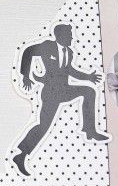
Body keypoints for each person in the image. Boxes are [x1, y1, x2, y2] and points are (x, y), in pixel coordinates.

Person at [12, 23, 110, 176]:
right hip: (51, 93)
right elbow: (28, 51)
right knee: (43, 126)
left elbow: (70, 70)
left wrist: (88, 77)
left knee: (88, 91)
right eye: (69, 35)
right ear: (60, 36)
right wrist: (25, 75)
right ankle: (21, 155)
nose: (72, 38)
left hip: (65, 90)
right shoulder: (47, 46)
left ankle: (90, 131)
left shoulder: (69, 52)